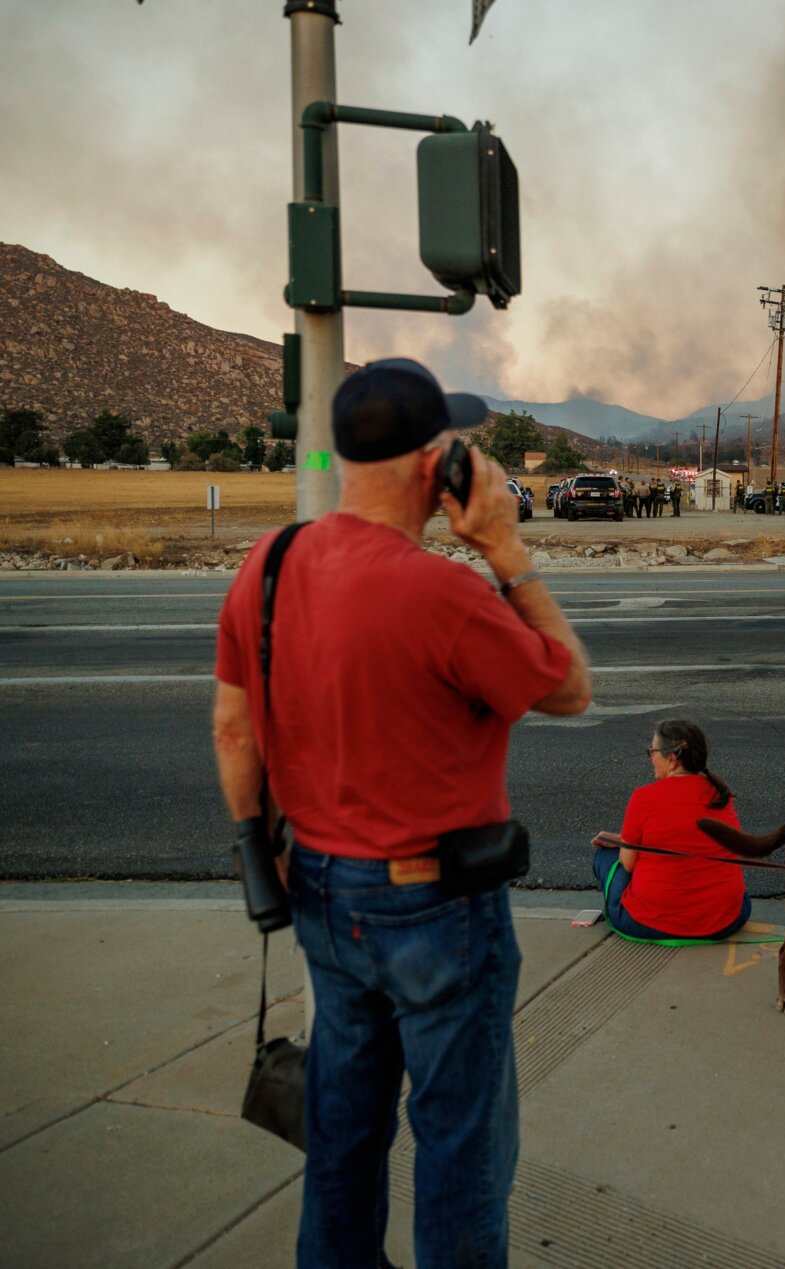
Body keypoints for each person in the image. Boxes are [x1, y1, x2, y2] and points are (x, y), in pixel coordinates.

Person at [212, 358, 592, 1267]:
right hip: (437, 910)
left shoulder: (267, 565)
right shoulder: (446, 593)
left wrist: (264, 849)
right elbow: (570, 686)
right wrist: (503, 546)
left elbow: (233, 733)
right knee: (460, 1148)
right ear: (436, 466)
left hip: (321, 894)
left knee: (342, 1136)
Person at [593, 719, 752, 941]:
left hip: (654, 921)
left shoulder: (644, 797)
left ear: (672, 757)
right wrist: (625, 839)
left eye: (652, 751)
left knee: (605, 855)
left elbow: (628, 864)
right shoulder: (720, 795)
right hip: (725, 919)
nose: (650, 757)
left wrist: (623, 844)